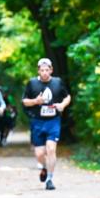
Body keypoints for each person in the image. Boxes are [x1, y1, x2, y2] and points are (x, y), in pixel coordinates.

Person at [22, 58, 71, 190]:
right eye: (42, 70)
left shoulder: (57, 82)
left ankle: (49, 178)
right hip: (37, 121)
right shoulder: (32, 83)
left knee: (51, 149)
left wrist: (62, 105)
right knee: (39, 153)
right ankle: (44, 167)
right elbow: (24, 101)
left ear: (51, 70)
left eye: (47, 70)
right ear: (38, 71)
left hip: (53, 121)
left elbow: (67, 97)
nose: (44, 72)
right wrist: (35, 101)